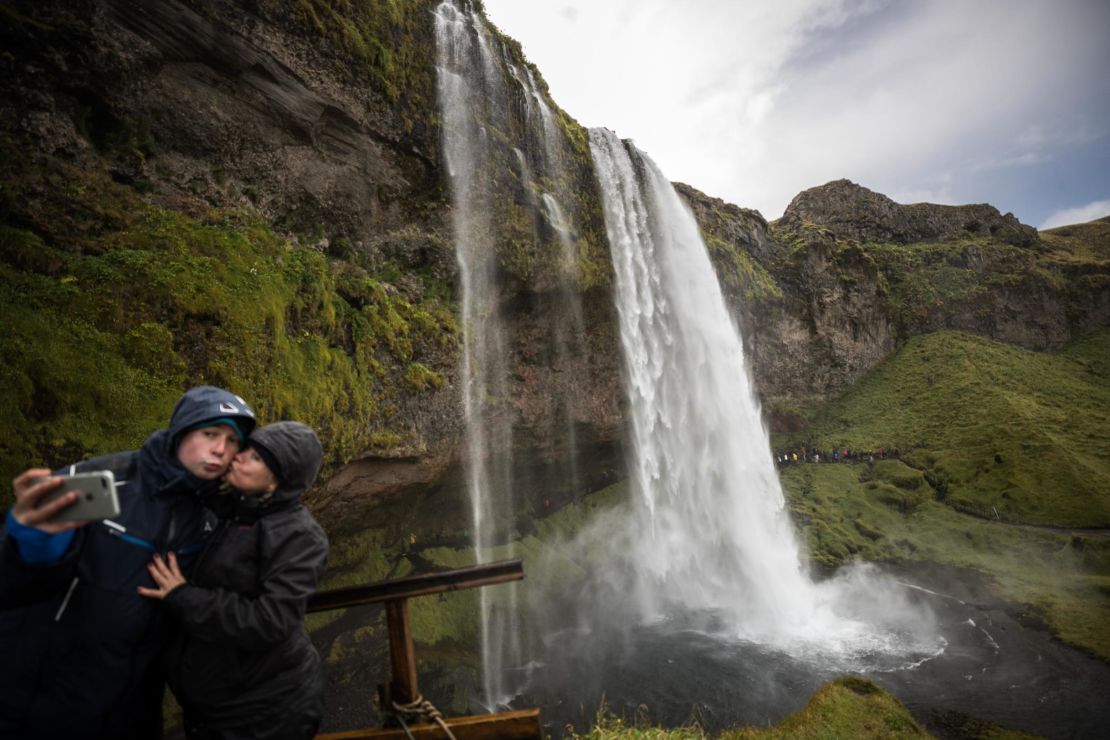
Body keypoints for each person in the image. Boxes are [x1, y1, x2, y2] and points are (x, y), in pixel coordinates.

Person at [0, 386, 257, 740]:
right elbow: (19, 580)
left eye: (232, 441)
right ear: (181, 430)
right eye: (210, 433)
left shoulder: (213, 515)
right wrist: (32, 537)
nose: (220, 449)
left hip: (134, 702)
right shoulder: (105, 481)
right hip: (50, 692)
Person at [140, 421, 330, 740]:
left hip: (265, 712)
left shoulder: (301, 537)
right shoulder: (236, 509)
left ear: (276, 483)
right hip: (215, 703)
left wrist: (183, 596)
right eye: (245, 449)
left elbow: (269, 622)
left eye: (255, 458)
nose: (238, 457)